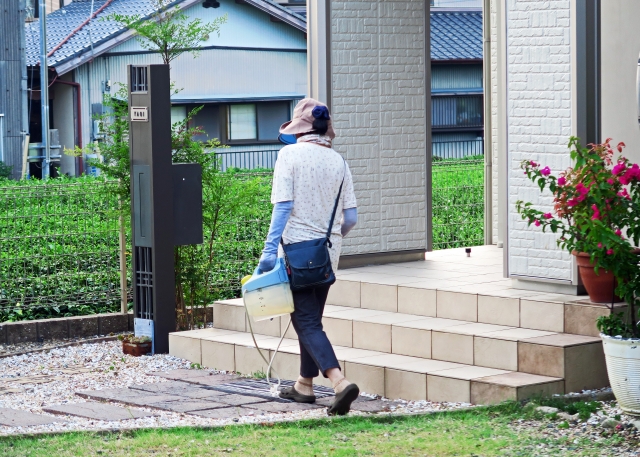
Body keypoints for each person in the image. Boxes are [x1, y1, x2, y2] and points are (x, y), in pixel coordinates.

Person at [257, 98, 359, 416]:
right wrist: (331, 239)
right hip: (328, 253)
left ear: (299, 129)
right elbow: (351, 218)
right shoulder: (339, 161)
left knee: (305, 320)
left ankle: (339, 382)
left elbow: (283, 207)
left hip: (296, 253)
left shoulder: (289, 155)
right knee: (312, 319)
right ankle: (304, 384)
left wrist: (268, 251)